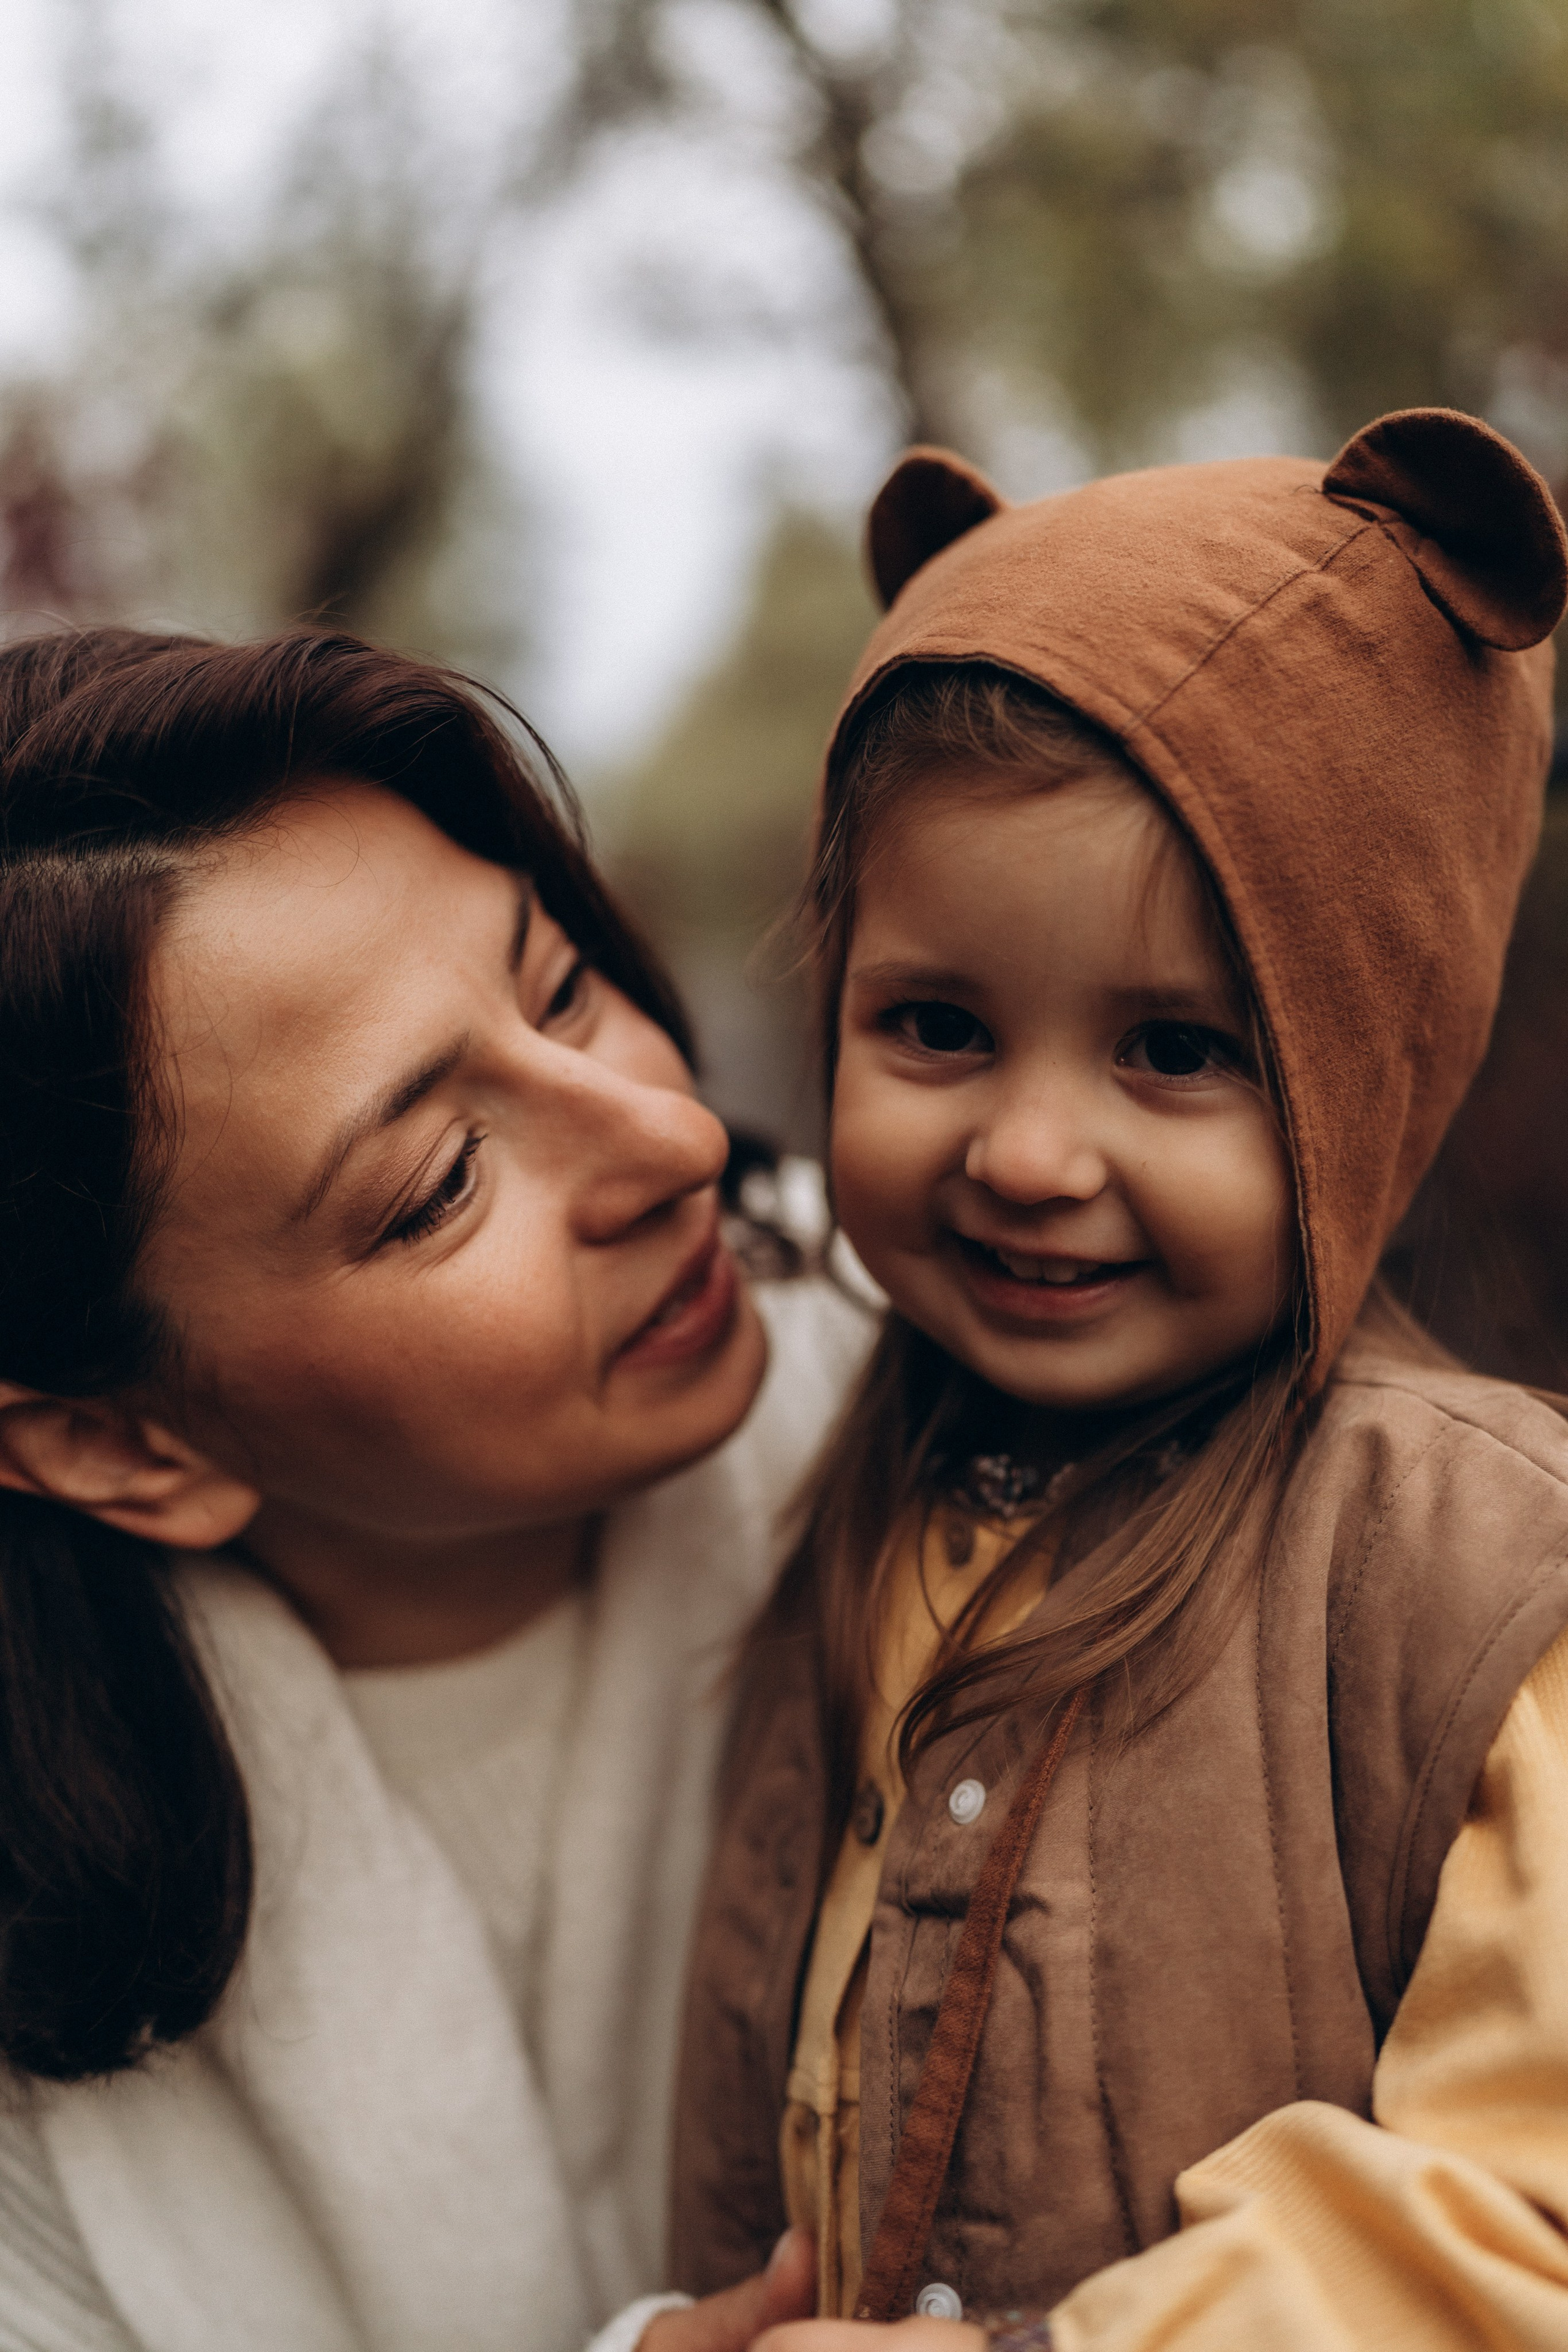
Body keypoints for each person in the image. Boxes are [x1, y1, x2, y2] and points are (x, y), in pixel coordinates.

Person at [669, 408, 1568, 2350]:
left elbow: (1526, 2207)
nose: (1028, 1154)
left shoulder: (1480, 1577)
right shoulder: (860, 1467)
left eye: (1172, 1050)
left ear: (1362, 1067)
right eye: (935, 1026)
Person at [0, 627, 867, 2352]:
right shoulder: (49, 2020)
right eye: (439, 1183)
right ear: (121, 1445)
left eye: (560, 989)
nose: (679, 1142)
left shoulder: (987, 1420)